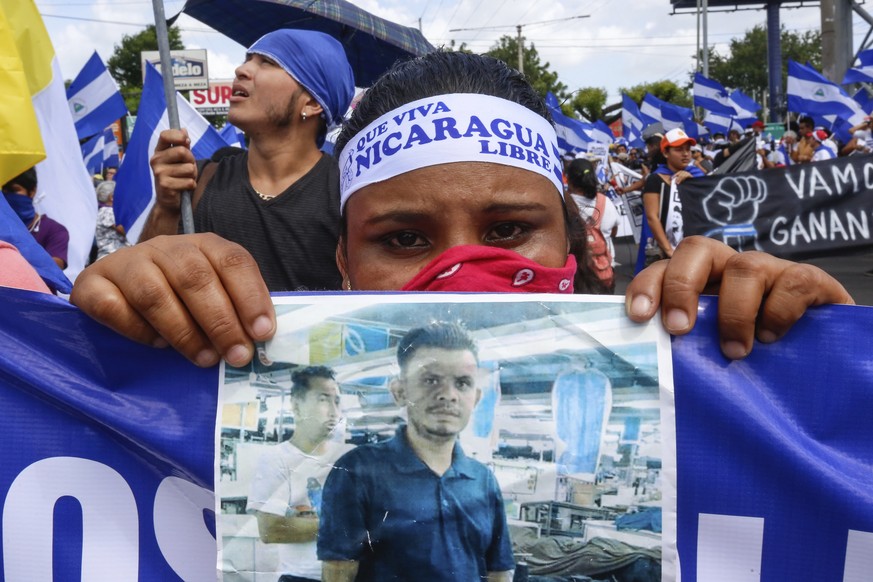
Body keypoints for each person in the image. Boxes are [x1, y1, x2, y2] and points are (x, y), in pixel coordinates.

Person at [70, 50, 854, 367]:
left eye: (508, 230)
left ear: (577, 244)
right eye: (405, 237)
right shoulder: (237, 383)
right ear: (342, 264)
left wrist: (812, 355)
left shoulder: (691, 369)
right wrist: (126, 338)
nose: (462, 272)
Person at [141, 29, 355, 291]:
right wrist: (166, 206)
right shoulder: (199, 179)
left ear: (311, 103)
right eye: (248, 60)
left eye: (268, 62)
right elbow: (145, 282)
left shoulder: (347, 192)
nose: (241, 70)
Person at [317, 322, 514, 582]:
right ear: (400, 392)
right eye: (431, 380)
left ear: (475, 398)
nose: (448, 395)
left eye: (462, 383)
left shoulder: (483, 480)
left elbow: (498, 570)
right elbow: (338, 573)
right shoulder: (359, 471)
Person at [246, 365, 351, 582]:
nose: (334, 411)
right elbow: (270, 529)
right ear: (296, 406)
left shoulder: (351, 457)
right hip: (301, 578)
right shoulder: (277, 459)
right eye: (323, 400)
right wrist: (345, 524)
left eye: (337, 401)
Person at [642, 128, 702, 260]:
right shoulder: (655, 179)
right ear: (665, 153)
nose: (685, 154)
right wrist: (669, 250)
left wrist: (691, 182)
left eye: (688, 149)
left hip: (697, 248)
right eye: (679, 150)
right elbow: (652, 217)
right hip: (668, 253)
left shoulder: (697, 176)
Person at [565, 158, 619, 291]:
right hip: (605, 270)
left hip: (577, 273)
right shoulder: (606, 202)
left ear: (569, 181)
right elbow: (614, 232)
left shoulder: (564, 204)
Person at [2, 168, 69, 270]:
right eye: (4, 191)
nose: (8, 196)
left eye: (14, 190)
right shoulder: (2, 226)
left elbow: (55, 267)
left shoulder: (54, 230)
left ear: (32, 191)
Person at [94, 181, 130, 260]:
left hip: (115, 256)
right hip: (111, 256)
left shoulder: (105, 210)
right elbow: (124, 230)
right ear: (112, 197)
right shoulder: (108, 211)